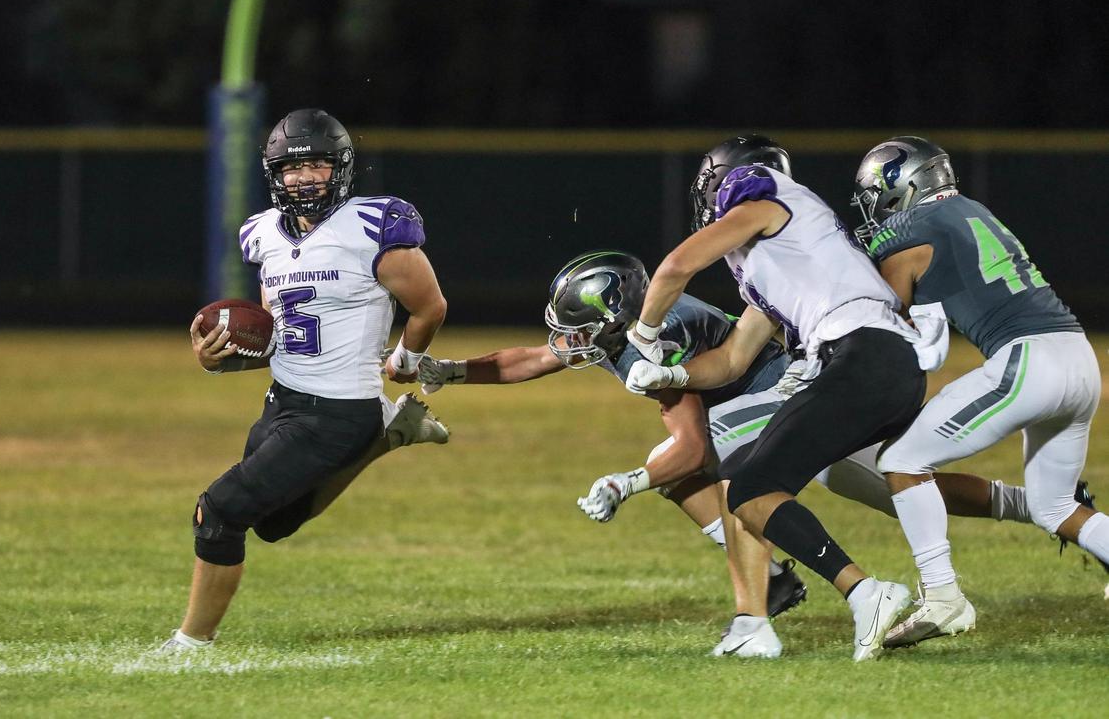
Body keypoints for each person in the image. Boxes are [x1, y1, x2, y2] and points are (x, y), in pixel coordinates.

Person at [415, 248, 1034, 658]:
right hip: (776, 403)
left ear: (613, 318)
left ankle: (762, 619)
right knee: (887, 483)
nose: (567, 343)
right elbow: (532, 357)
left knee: (739, 472)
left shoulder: (657, 340)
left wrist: (624, 482)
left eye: (578, 329)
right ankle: (1042, 508)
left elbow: (689, 448)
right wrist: (446, 370)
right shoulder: (627, 327)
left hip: (792, 395)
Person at [623, 135, 934, 661]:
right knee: (744, 474)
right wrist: (667, 377)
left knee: (750, 484)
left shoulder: (766, 202)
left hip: (862, 355)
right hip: (875, 363)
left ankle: (867, 593)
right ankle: (753, 626)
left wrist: (644, 336)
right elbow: (731, 361)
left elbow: (675, 267)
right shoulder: (787, 254)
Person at [161, 108, 449, 651]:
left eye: (318, 164)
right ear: (275, 174)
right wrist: (217, 358)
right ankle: (388, 435)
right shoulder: (263, 234)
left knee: (219, 512)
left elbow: (430, 306)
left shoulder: (375, 227)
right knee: (272, 524)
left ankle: (191, 643)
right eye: (293, 168)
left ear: (339, 169)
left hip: (338, 408)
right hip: (284, 399)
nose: (305, 177)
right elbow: (275, 337)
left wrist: (406, 361)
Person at [851, 136, 1109, 648]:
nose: (875, 209)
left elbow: (881, 322)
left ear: (903, 184)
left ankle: (944, 597)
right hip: (1079, 356)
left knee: (902, 461)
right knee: (1054, 506)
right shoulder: (972, 210)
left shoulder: (906, 230)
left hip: (1028, 361)